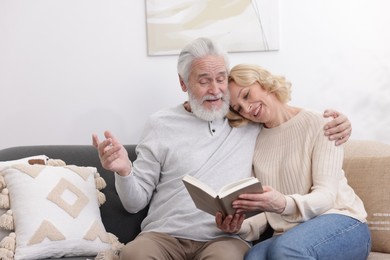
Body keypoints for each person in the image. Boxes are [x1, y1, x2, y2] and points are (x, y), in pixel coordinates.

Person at [92, 38, 352, 260]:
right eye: (204, 81)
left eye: (220, 79)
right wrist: (124, 171)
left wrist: (341, 124)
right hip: (164, 234)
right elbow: (134, 203)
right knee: (133, 255)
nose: (215, 90)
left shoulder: (247, 119)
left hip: (223, 237)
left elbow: (285, 119)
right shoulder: (160, 124)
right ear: (183, 83)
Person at [220, 64, 370, 260]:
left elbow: (326, 196)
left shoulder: (322, 124)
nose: (247, 108)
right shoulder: (254, 141)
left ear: (264, 83)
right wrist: (238, 226)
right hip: (289, 233)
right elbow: (266, 212)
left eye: (247, 95)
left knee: (286, 249)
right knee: (254, 257)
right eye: (238, 108)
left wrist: (283, 203)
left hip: (343, 223)